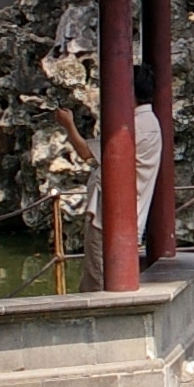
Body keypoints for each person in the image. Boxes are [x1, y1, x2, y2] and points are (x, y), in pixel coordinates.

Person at [55, 64, 165, 267]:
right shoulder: (151, 122)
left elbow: (85, 152)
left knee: (100, 274)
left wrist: (68, 124)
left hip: (111, 219)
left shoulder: (131, 126)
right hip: (128, 217)